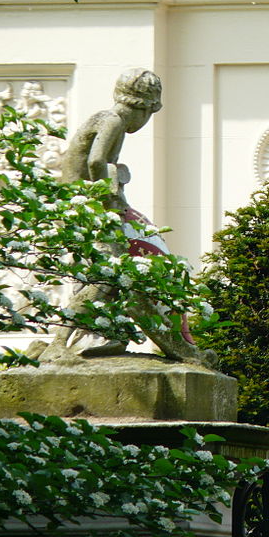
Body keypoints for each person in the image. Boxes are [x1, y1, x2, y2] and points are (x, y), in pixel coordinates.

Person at [33, 69, 215, 367]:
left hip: (80, 211)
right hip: (85, 213)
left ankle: (106, 334)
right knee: (110, 275)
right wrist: (108, 197)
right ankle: (58, 343)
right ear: (142, 108)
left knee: (116, 277)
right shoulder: (113, 120)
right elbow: (96, 161)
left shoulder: (103, 118)